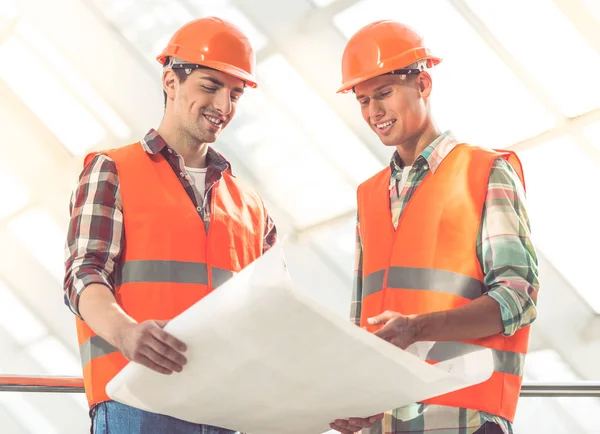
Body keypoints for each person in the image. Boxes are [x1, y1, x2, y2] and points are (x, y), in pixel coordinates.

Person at [63, 17, 277, 434]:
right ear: (171, 82)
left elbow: (272, 311)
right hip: (138, 402)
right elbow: (83, 273)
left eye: (235, 94)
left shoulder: (250, 204)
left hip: (229, 409)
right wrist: (125, 333)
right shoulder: (112, 170)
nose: (224, 106)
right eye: (210, 86)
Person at [330, 20, 539, 434]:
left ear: (423, 84)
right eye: (363, 100)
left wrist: (420, 328)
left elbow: (519, 297)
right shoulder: (369, 195)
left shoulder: (484, 172)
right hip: (384, 422)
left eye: (385, 94)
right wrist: (349, 394)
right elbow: (362, 321)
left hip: (466, 418)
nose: (374, 112)